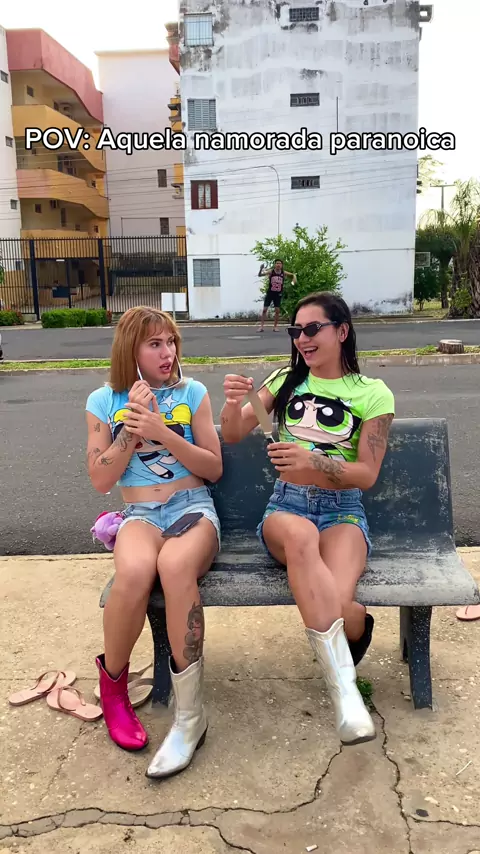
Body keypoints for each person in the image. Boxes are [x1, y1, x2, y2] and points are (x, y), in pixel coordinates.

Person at [220, 291, 395, 745]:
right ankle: (345, 695)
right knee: (300, 539)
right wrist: (233, 401)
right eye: (296, 330)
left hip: (343, 511)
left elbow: (366, 474)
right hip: (287, 507)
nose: (302, 339)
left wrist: (313, 461)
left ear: (342, 331)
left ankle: (355, 626)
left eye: (312, 328)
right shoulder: (285, 380)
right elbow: (235, 431)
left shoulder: (373, 394)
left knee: (338, 605)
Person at [85, 306, 222, 778]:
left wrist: (162, 430)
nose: (168, 352)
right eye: (155, 344)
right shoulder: (103, 401)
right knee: (135, 571)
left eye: (171, 342)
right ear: (132, 350)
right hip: (140, 514)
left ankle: (190, 716)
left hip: (192, 508)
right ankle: (114, 693)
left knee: (175, 566)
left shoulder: (192, 393)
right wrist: (131, 428)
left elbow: (213, 467)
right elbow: (101, 479)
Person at [258, 260, 297, 332]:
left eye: (280, 263)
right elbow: (260, 275)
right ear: (275, 265)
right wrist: (261, 269)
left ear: (282, 265)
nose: (278, 265)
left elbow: (293, 275)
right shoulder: (271, 272)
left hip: (278, 294)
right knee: (264, 310)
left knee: (277, 310)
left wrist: (293, 281)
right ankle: (261, 327)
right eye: (277, 263)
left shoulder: (283, 272)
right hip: (270, 293)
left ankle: (275, 327)